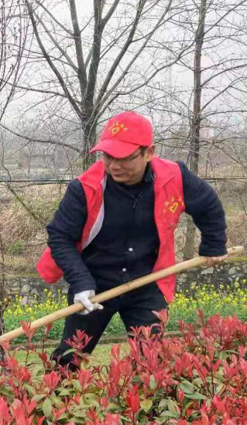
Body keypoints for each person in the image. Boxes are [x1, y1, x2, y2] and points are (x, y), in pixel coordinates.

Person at [38, 111, 228, 369]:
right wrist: (81, 282)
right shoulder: (85, 187)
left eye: (123, 158)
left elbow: (208, 205)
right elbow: (60, 237)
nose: (114, 165)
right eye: (107, 156)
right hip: (94, 284)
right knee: (69, 358)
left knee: (152, 362)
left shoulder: (174, 176)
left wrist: (214, 244)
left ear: (149, 152)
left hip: (148, 282)